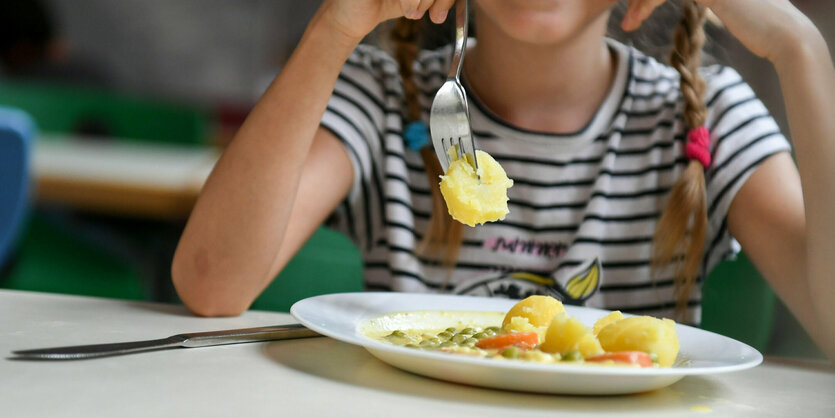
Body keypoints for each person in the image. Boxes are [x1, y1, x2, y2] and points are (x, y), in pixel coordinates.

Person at [171, 0, 835, 360]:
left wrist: (799, 50)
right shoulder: (381, 96)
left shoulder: (707, 112)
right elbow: (210, 284)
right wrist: (332, 27)